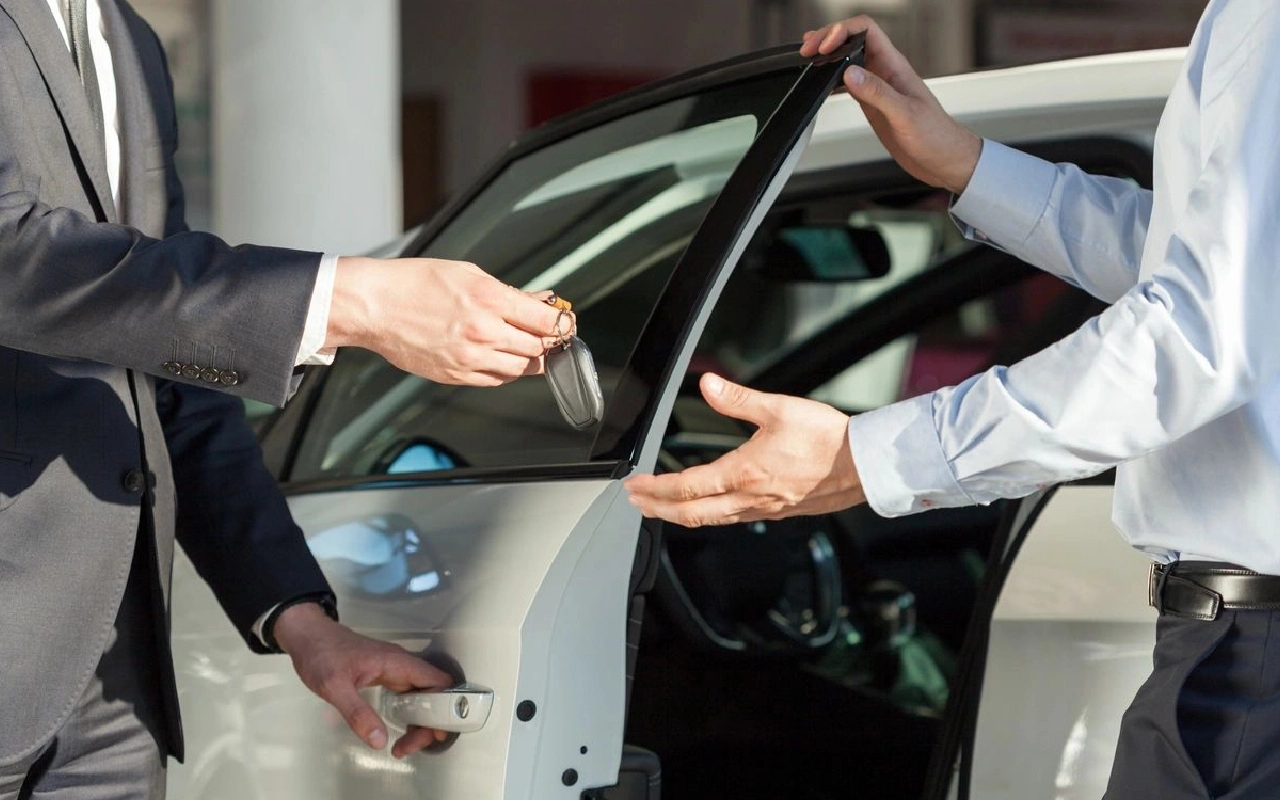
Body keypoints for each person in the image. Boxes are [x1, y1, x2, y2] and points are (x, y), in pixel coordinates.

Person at [627, 5, 1280, 798]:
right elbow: (1221, 276)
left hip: (1252, 659)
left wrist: (871, 458)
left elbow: (1201, 330)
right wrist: (969, 167)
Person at [0, 1, 567, 798]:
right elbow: (13, 262)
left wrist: (301, 621)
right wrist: (347, 301)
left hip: (115, 696)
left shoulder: (131, 42)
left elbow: (165, 366)